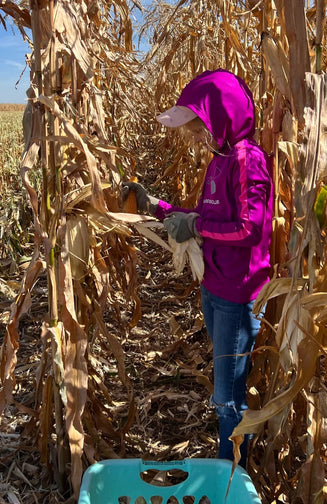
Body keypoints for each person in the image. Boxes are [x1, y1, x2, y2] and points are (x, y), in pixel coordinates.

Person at [123, 69, 273, 467]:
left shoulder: (246, 160)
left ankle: (232, 471)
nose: (192, 135)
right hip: (215, 284)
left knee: (227, 396)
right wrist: (158, 207)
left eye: (196, 126)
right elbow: (205, 216)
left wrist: (196, 226)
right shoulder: (220, 160)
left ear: (221, 118)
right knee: (226, 384)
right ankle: (232, 455)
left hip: (237, 296)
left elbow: (248, 227)